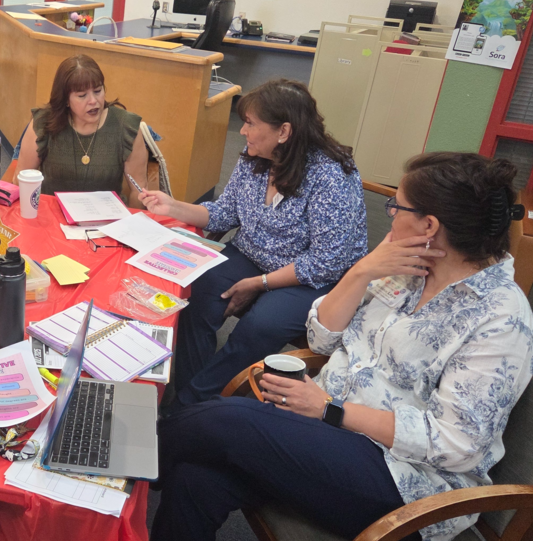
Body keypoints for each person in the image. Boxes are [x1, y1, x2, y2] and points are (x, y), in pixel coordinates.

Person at [150, 152, 533, 541]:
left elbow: (454, 443)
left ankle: (117, 462)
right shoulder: (405, 267)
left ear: (429, 226)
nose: (389, 215)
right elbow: (320, 339)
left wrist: (330, 409)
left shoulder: (501, 321)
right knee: (194, 479)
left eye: (397, 206)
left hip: (402, 484)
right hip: (324, 433)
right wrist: (361, 271)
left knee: (229, 419)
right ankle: (130, 468)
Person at [141, 79, 367, 408]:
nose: (243, 131)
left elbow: (325, 262)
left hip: (312, 279)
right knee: (196, 294)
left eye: (250, 123)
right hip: (252, 255)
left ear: (284, 131)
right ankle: (195, 403)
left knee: (259, 326)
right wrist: (171, 205)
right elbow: (224, 214)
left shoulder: (330, 176)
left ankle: (190, 404)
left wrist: (259, 284)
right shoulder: (254, 158)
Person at [14, 54, 148, 208]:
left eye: (98, 91)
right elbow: (20, 179)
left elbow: (138, 191)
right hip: (52, 217)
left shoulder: (126, 127)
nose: (93, 101)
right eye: (82, 95)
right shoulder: (43, 123)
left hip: (107, 221)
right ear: (65, 100)